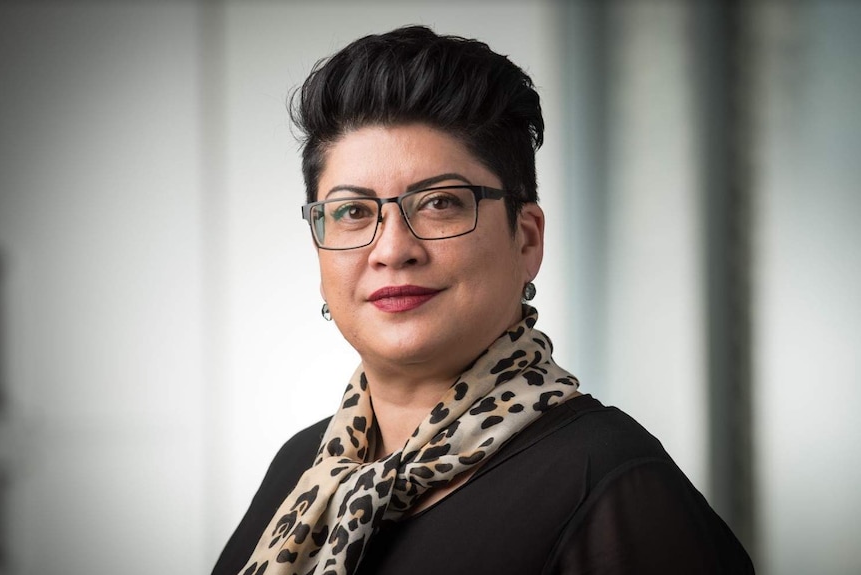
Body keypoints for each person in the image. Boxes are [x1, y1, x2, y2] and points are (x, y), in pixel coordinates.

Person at [212, 26, 754, 575]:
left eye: (441, 203)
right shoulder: (301, 468)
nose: (392, 249)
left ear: (526, 239)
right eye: (353, 212)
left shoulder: (613, 486)